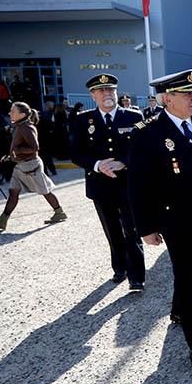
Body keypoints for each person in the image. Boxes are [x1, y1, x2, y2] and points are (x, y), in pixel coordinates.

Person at [127, 70, 192, 377]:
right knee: (187, 276)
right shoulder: (147, 132)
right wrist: (145, 226)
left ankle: (177, 308)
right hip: (176, 218)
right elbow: (138, 184)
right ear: (167, 98)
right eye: (186, 95)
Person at [69, 74, 145, 290]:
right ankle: (119, 268)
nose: (107, 94)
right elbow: (76, 153)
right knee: (112, 230)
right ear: (93, 95)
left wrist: (123, 163)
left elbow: (142, 150)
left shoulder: (133, 116)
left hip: (128, 184)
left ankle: (136, 276)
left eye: (111, 89)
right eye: (101, 91)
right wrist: (97, 164)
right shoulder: (84, 119)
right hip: (100, 185)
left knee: (131, 229)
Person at [0, 102, 67, 229]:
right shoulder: (20, 126)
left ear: (21, 114)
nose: (10, 113)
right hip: (21, 165)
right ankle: (2, 220)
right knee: (13, 192)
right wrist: (11, 156)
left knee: (45, 190)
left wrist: (17, 152)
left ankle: (59, 212)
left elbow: (34, 147)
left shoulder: (26, 127)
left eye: (13, 111)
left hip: (30, 166)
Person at [37, 99, 58, 175]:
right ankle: (52, 170)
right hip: (46, 139)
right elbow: (51, 126)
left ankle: (46, 172)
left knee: (43, 157)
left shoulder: (36, 121)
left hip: (40, 140)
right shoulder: (47, 117)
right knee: (48, 157)